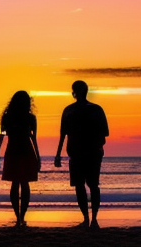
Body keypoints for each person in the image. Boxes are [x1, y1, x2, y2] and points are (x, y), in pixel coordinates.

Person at [54, 80, 109, 229]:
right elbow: (105, 133)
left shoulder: (69, 110)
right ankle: (92, 220)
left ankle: (88, 219)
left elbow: (62, 134)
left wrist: (58, 154)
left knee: (83, 186)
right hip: (88, 153)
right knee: (91, 185)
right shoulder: (96, 109)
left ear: (74, 92)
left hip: (81, 153)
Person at [0, 91, 41, 227]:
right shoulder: (27, 117)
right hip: (23, 150)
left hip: (15, 150)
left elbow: (2, 136)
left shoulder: (10, 117)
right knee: (23, 184)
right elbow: (33, 138)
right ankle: (21, 216)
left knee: (16, 184)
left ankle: (19, 216)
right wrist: (38, 157)